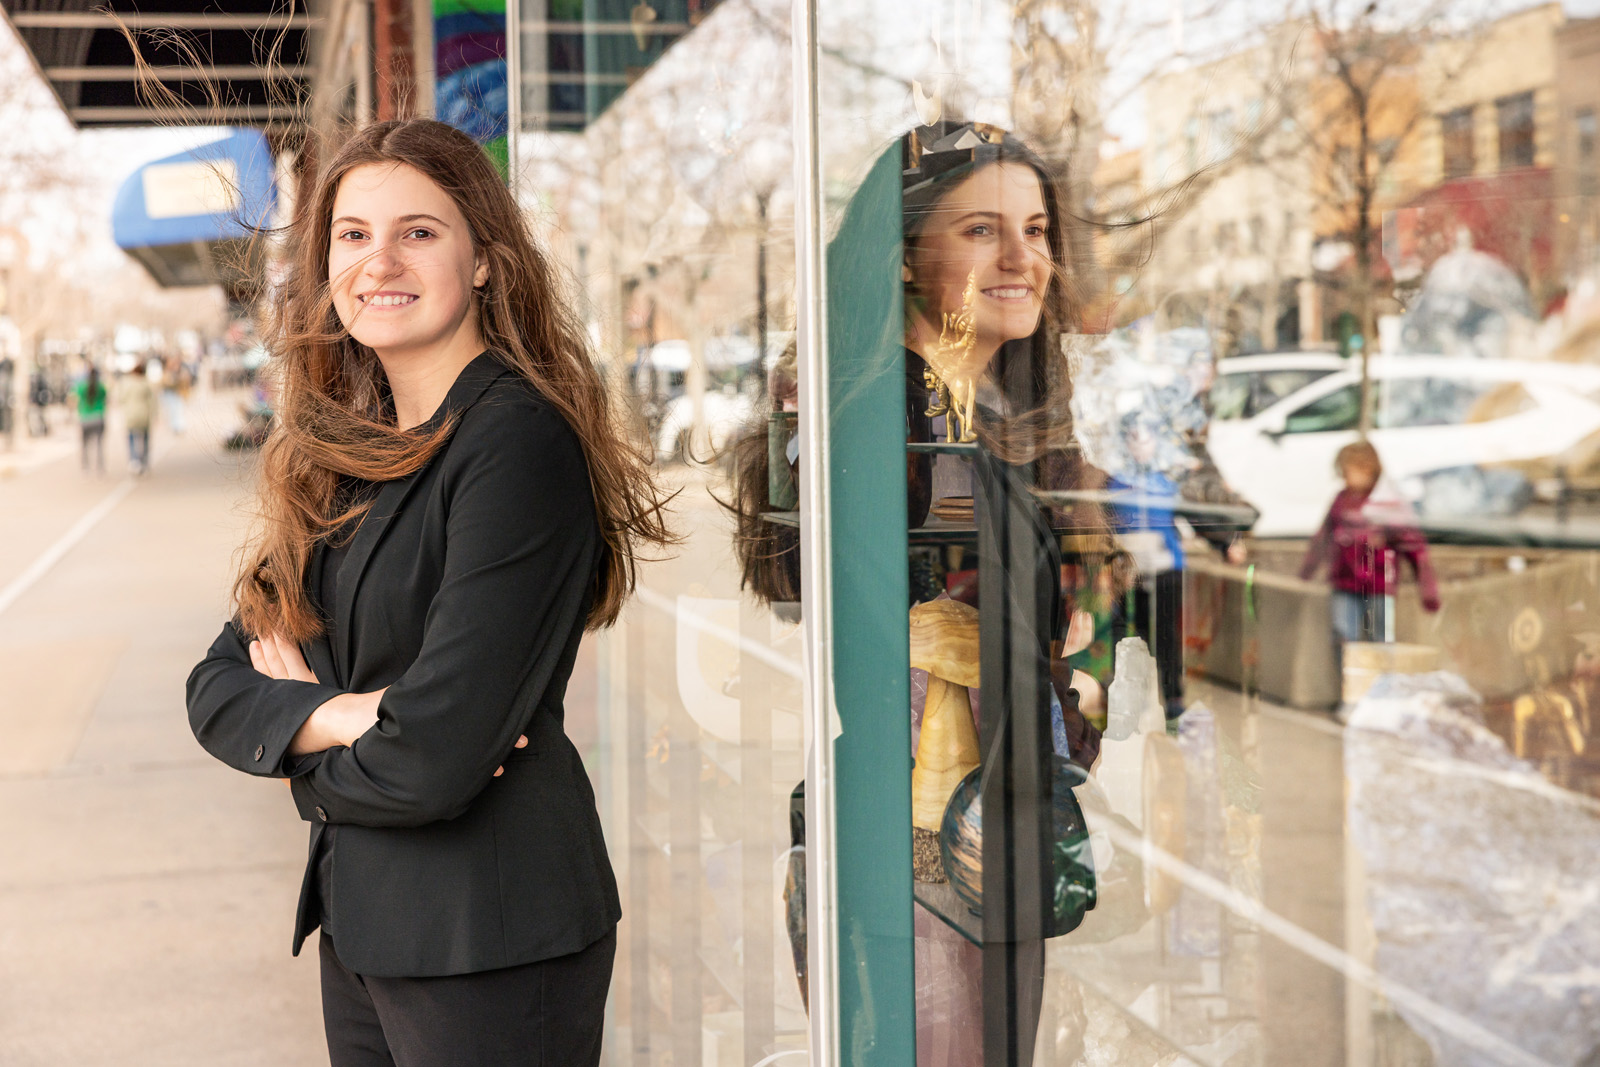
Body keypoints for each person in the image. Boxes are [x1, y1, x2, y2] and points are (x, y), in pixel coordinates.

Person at [185, 119, 673, 1066]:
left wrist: (297, 741)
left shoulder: (514, 443)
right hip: (365, 925)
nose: (380, 261)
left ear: (484, 260)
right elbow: (215, 685)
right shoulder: (348, 452)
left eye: (419, 231)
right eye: (354, 235)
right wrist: (344, 714)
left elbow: (435, 756)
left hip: (489, 943)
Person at [1299, 440, 1440, 650]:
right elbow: (1322, 539)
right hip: (1344, 583)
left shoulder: (1389, 501)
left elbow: (1414, 546)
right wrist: (1305, 574)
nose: (1345, 477)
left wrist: (1428, 588)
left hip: (1379, 585)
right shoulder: (1341, 500)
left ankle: (1382, 681)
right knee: (1343, 636)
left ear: (1368, 469)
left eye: (1349, 471)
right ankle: (1350, 681)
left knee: (1380, 639)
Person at [117, 359, 158, 474]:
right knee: (144, 439)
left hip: (130, 415)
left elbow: (120, 398)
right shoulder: (146, 384)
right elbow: (153, 401)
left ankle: (134, 460)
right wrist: (155, 415)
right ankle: (144, 462)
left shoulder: (126, 384)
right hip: (144, 414)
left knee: (131, 438)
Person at [74, 364, 107, 475]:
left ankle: (85, 468)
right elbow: (106, 400)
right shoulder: (101, 387)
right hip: (98, 417)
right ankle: (100, 467)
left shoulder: (82, 386)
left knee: (84, 445)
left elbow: (74, 399)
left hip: (85, 418)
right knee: (99, 445)